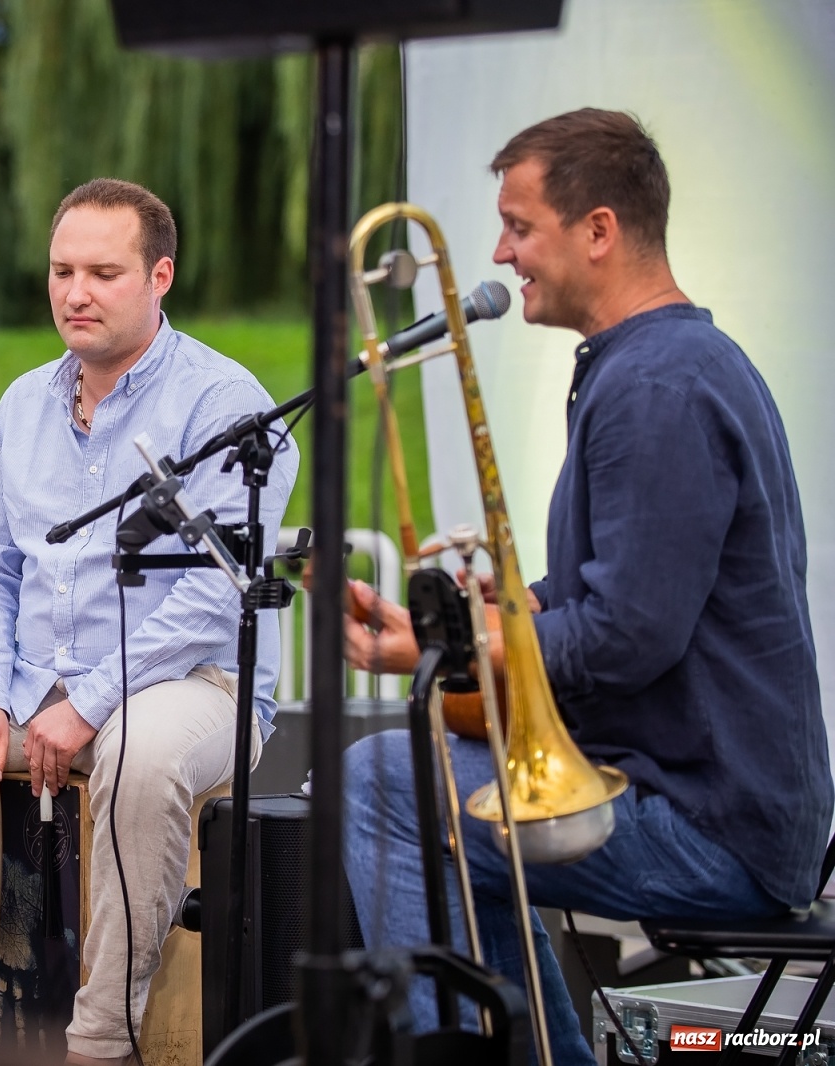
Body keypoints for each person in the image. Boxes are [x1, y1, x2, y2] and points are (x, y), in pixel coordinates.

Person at [339, 109, 832, 1064]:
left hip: (708, 823)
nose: (499, 251)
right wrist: (458, 624)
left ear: (598, 230)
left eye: (520, 226)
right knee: (403, 784)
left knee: (377, 790)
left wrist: (459, 648)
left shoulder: (657, 389)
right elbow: (602, 594)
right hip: (704, 799)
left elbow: (625, 636)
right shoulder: (661, 367)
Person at [0, 178, 298, 1064]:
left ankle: (102, 1040)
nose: (75, 293)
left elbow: (215, 594)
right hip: (29, 686)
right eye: (62, 270)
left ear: (160, 275)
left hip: (192, 683)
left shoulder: (226, 405)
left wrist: (91, 701)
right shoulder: (22, 403)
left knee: (137, 755)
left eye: (103, 271)